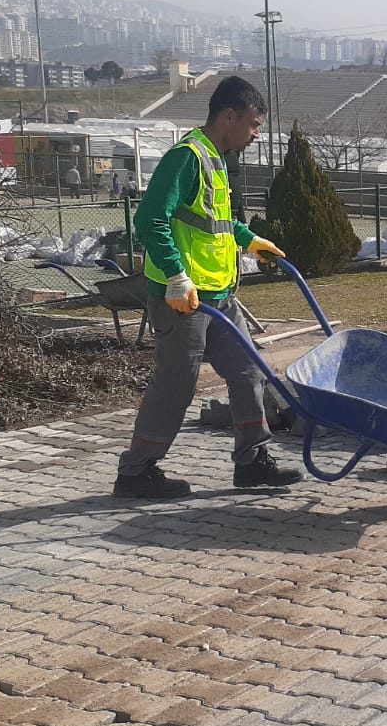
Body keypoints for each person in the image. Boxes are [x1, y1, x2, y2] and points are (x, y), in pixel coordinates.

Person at [113, 75, 298, 498]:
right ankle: (136, 471)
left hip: (218, 297)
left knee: (251, 372)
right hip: (183, 299)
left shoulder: (215, 158)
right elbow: (150, 220)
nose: (255, 134)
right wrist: (176, 277)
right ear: (228, 115)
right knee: (177, 382)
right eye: (252, 125)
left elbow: (207, 221)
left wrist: (248, 238)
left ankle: (252, 462)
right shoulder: (187, 157)